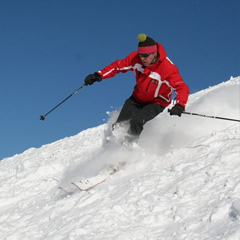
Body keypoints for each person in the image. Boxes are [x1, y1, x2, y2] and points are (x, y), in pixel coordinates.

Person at [84, 33, 190, 144]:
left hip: (157, 102)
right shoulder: (136, 59)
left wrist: (179, 105)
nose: (142, 58)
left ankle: (128, 150)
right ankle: (112, 150)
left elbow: (181, 87)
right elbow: (117, 66)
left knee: (136, 121)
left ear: (154, 53)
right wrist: (98, 75)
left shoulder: (167, 69)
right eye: (140, 55)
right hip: (137, 98)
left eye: (146, 55)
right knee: (119, 125)